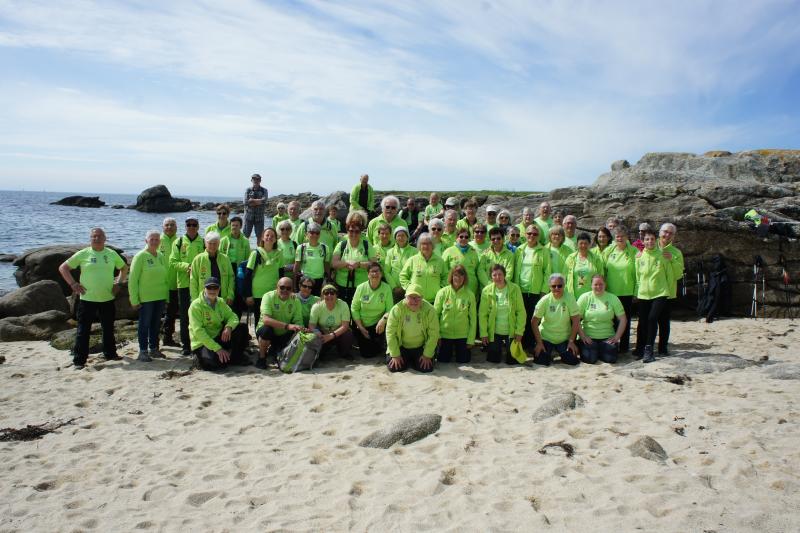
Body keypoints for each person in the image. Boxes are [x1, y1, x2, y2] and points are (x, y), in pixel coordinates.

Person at [59, 228, 128, 369]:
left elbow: (124, 268)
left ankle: (110, 354)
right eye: (94, 236)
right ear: (90, 239)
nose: (96, 238)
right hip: (87, 299)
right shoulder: (83, 253)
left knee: (108, 329)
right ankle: (79, 361)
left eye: (99, 236)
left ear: (105, 238)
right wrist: (73, 284)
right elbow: (63, 268)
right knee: (83, 331)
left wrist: (119, 283)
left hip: (107, 298)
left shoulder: (111, 253)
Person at [189, 277, 250, 371]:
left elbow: (233, 317)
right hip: (202, 343)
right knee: (216, 364)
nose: (212, 290)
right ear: (204, 289)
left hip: (218, 337)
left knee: (242, 328)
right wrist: (217, 349)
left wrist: (228, 327)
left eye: (215, 288)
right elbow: (198, 332)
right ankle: (199, 358)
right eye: (209, 288)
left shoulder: (220, 301)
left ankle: (236, 357)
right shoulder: (195, 306)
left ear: (219, 289)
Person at [129, 230, 169, 361]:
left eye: (157, 239)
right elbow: (133, 280)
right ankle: (143, 351)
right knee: (144, 325)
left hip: (160, 297)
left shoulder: (161, 256)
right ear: (146, 240)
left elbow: (166, 278)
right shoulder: (140, 256)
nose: (154, 242)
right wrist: (134, 299)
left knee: (155, 325)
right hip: (146, 299)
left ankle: (154, 349)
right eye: (152, 239)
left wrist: (167, 297)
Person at [634, 228, 672, 363]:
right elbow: (638, 277)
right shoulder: (639, 257)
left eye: (652, 239)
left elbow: (669, 275)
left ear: (656, 240)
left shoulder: (663, 255)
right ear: (643, 241)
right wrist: (637, 293)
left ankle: (649, 349)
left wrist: (668, 292)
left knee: (652, 318)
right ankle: (642, 348)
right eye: (647, 239)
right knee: (643, 321)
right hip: (644, 294)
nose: (649, 241)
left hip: (660, 293)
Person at [170, 217, 206, 355]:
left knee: (200, 315)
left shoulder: (203, 242)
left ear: (198, 226)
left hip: (200, 285)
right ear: (185, 226)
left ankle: (200, 343)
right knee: (185, 316)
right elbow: (173, 262)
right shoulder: (178, 242)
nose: (191, 227)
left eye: (194, 225)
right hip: (184, 284)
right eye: (188, 224)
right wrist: (187, 266)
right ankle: (186, 345)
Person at [513, 224, 551, 354]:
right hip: (520, 290)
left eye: (535, 234)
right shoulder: (519, 250)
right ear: (525, 235)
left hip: (535, 291)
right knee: (521, 317)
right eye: (529, 233)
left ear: (538, 236)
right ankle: (521, 344)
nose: (532, 236)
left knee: (533, 318)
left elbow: (547, 272)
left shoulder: (544, 251)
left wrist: (544, 291)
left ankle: (531, 344)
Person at [385, 284, 439, 373]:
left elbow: (434, 333)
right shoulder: (397, 309)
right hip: (402, 346)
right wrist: (395, 355)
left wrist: (427, 355)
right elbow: (390, 333)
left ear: (422, 298)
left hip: (421, 346)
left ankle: (412, 360)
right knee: (394, 367)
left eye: (417, 298)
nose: (414, 301)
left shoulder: (430, 310)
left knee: (426, 368)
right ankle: (410, 360)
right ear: (405, 297)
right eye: (411, 297)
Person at [255, 277, 306, 369]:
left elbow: (298, 321)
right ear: (277, 287)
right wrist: (287, 326)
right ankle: (261, 358)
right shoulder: (268, 296)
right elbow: (266, 320)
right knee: (266, 330)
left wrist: (300, 328)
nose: (285, 290)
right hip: (268, 331)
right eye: (282, 287)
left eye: (288, 288)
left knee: (298, 333)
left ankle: (275, 351)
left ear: (292, 289)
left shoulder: (296, 300)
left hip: (283, 333)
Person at [479, 264, 525, 364]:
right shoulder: (486, 291)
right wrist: (484, 333)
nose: (497, 277)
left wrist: (519, 332)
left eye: (500, 274)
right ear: (491, 277)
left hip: (511, 331)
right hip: (494, 331)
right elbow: (482, 315)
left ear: (504, 275)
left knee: (512, 361)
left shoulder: (515, 289)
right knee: (493, 360)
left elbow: (521, 312)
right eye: (494, 275)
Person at [532, 274, 581, 366]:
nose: (557, 288)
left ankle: (557, 352)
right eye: (553, 286)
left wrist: (571, 341)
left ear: (564, 285)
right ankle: (549, 353)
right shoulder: (544, 300)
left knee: (572, 360)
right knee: (541, 360)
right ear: (549, 287)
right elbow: (534, 322)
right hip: (546, 337)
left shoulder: (570, 298)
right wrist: (539, 343)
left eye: (560, 286)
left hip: (564, 338)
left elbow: (576, 320)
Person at [576, 275, 627, 364]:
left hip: (607, 337)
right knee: (590, 359)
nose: (598, 287)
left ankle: (599, 350)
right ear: (591, 285)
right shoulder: (584, 297)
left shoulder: (613, 298)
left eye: (601, 284)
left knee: (610, 359)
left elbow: (623, 319)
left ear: (605, 285)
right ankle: (595, 350)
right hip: (589, 337)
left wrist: (616, 337)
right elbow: (576, 319)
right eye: (595, 284)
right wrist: (583, 336)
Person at [604, 225, 638, 353]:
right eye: (617, 236)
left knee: (625, 320)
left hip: (627, 291)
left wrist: (636, 291)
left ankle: (624, 347)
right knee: (612, 320)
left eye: (622, 236)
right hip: (611, 292)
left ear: (627, 237)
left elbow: (638, 273)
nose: (620, 238)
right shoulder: (608, 251)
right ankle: (612, 345)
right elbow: (603, 269)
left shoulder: (634, 251)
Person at [332, 211, 376, 304]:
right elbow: (334, 263)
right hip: (342, 286)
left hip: (362, 285)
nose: (354, 234)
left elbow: (374, 264)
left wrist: (359, 264)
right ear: (347, 230)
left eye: (357, 231)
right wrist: (346, 263)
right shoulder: (342, 243)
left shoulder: (366, 244)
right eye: (351, 231)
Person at [435, 265, 477, 363]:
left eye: (461, 275)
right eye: (456, 275)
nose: (458, 278)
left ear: (465, 278)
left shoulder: (470, 295)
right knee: (443, 360)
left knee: (463, 360)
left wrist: (471, 339)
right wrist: (438, 336)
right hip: (445, 334)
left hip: (462, 335)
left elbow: (473, 319)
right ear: (451, 276)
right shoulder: (442, 293)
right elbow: (435, 316)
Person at [351, 262, 393, 358]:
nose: (375, 274)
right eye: (372, 271)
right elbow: (354, 308)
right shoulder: (361, 288)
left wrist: (383, 320)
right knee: (366, 354)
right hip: (362, 325)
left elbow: (390, 309)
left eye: (377, 271)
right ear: (368, 274)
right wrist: (361, 327)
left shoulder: (386, 288)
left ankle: (382, 343)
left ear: (381, 274)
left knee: (376, 349)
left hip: (378, 324)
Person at [244, 228, 282, 332]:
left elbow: (281, 273)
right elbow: (247, 275)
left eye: (272, 236)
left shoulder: (279, 253)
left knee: (274, 318)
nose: (269, 237)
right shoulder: (256, 253)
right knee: (259, 319)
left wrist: (282, 291)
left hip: (274, 292)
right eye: (267, 235)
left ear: (276, 239)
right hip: (258, 293)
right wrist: (248, 295)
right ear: (262, 238)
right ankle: (259, 338)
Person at [657, 223, 684, 355]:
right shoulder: (650, 247)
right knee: (648, 321)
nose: (667, 235)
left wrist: (672, 259)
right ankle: (646, 346)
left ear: (674, 236)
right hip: (650, 292)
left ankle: (662, 348)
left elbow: (679, 274)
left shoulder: (676, 253)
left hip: (667, 292)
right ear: (659, 232)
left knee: (664, 322)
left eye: (670, 233)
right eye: (665, 231)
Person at [189, 232, 235, 306]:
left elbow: (231, 278)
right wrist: (195, 300)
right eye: (210, 243)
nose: (212, 246)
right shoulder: (198, 259)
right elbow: (193, 281)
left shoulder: (225, 259)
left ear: (219, 244)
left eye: (215, 243)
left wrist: (230, 295)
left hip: (222, 299)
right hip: (203, 300)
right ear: (205, 243)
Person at [399, 232, 447, 303]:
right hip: (415, 300)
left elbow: (446, 276)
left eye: (429, 243)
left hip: (434, 300)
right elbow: (403, 276)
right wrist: (410, 288)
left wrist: (440, 289)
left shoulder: (440, 261)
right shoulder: (412, 260)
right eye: (423, 243)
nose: (426, 246)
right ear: (419, 246)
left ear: (433, 245)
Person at [309, 284, 354, 358]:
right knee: (313, 335)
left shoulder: (343, 305)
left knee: (348, 334)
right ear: (322, 296)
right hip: (323, 334)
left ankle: (344, 353)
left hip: (338, 334)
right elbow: (311, 325)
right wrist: (317, 333)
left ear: (336, 295)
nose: (329, 295)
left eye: (332, 293)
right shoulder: (316, 306)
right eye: (326, 293)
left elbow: (345, 326)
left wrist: (331, 336)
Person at [220, 216, 251, 317]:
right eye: (233, 225)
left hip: (239, 270)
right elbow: (219, 256)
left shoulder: (245, 241)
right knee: (226, 293)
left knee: (238, 295)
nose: (234, 227)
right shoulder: (224, 240)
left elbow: (248, 259)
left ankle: (237, 317)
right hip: (226, 270)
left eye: (237, 225)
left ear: (241, 226)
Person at [293, 222, 331, 294]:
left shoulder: (325, 248)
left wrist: (328, 281)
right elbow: (296, 267)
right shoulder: (301, 248)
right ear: (307, 234)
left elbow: (326, 265)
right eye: (312, 232)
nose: (315, 235)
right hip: (305, 282)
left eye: (317, 233)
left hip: (319, 281)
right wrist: (294, 285)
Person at [159, 217, 180, 347]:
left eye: (172, 225)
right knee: (156, 314)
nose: (169, 227)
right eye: (167, 225)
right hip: (159, 285)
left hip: (174, 284)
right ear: (163, 227)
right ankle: (153, 341)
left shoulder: (180, 241)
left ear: (176, 227)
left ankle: (168, 338)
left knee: (171, 313)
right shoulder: (157, 240)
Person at [441, 228, 480, 296]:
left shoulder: (473, 252)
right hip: (454, 289)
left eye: (466, 237)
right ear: (456, 238)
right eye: (461, 237)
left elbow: (477, 270)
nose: (464, 239)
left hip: (471, 289)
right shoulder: (448, 251)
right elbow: (442, 270)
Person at [564, 232, 604, 299]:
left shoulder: (596, 259)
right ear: (577, 244)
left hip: (592, 296)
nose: (583, 245)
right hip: (573, 296)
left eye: (586, 243)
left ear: (589, 244)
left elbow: (601, 277)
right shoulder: (571, 258)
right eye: (581, 243)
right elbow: (564, 277)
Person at [382, 226, 416, 301]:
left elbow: (415, 271)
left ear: (407, 237)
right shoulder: (390, 252)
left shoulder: (415, 251)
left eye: (403, 235)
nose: (401, 238)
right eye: (398, 236)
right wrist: (394, 287)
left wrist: (407, 286)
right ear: (395, 238)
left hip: (409, 289)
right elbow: (386, 271)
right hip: (394, 289)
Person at [243, 173, 268, 241]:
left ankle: (259, 248)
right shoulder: (248, 190)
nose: (256, 180)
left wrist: (252, 201)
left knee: (260, 237)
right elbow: (245, 202)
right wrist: (259, 202)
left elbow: (264, 201)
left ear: (260, 180)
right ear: (251, 180)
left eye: (257, 179)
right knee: (245, 236)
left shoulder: (264, 190)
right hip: (248, 217)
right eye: (254, 179)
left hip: (259, 218)